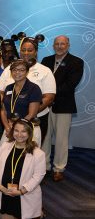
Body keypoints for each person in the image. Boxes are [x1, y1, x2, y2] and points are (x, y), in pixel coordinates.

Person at [41, 35, 84, 181]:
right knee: (45, 136)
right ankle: (44, 166)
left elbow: (70, 84)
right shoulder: (46, 61)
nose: (60, 46)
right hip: (44, 106)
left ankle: (58, 168)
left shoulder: (76, 62)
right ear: (53, 45)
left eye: (63, 44)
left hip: (63, 105)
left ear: (68, 45)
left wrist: (50, 94)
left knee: (61, 139)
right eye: (57, 44)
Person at [0, 119, 45, 219]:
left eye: (23, 131)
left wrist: (21, 191)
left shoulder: (38, 153)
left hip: (23, 195)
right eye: (16, 130)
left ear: (30, 133)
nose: (19, 134)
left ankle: (39, 214)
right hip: (5, 192)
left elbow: (38, 177)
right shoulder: (5, 145)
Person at [0, 37, 55, 141]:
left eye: (30, 50)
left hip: (35, 119)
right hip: (9, 121)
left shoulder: (45, 70)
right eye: (23, 50)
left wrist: (25, 116)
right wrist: (9, 120)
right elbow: (1, 92)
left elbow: (49, 97)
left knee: (31, 153)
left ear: (36, 52)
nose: (26, 53)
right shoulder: (9, 69)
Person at [0, 59, 42, 144]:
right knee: (4, 154)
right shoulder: (8, 88)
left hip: (28, 129)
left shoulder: (34, 88)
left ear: (27, 72)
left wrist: (16, 128)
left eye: (21, 70)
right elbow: (3, 110)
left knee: (27, 156)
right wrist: (7, 127)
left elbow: (31, 114)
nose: (17, 72)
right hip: (9, 128)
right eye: (14, 70)